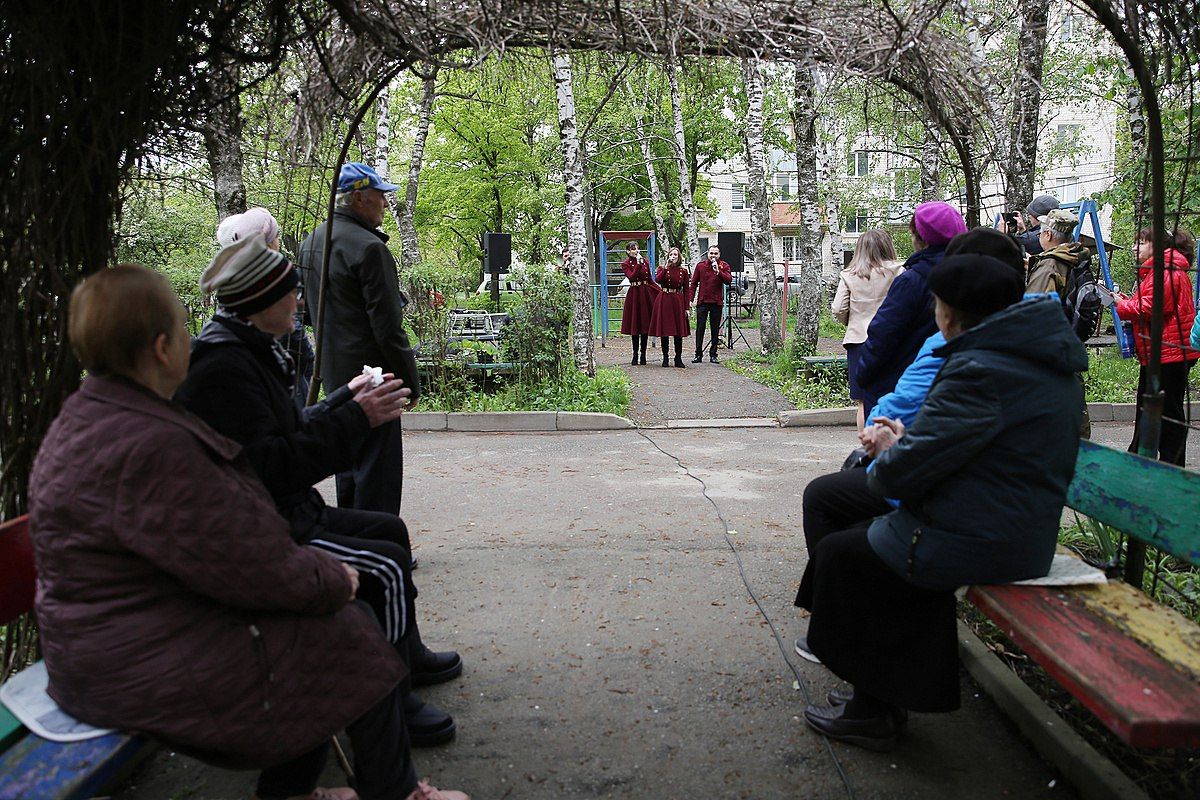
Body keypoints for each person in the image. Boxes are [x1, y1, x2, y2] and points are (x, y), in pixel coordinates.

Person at [29, 264, 467, 800]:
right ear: (163, 347)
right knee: (345, 629)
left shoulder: (95, 416)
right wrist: (332, 580)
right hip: (126, 661)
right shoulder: (153, 440)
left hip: (103, 644)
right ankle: (395, 792)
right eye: (186, 328)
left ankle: (291, 792)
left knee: (322, 626)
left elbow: (222, 540)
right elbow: (247, 557)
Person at [176, 234, 463, 748]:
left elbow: (284, 434)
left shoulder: (248, 349)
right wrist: (357, 417)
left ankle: (407, 653)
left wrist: (344, 401)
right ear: (261, 299)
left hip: (282, 513)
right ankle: (392, 696)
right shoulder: (223, 368)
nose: (299, 300)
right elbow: (273, 467)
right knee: (385, 565)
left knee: (390, 531)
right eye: (290, 291)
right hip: (266, 530)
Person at [795, 254, 1086, 751]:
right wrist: (909, 441)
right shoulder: (1028, 354)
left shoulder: (980, 368)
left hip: (987, 534)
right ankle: (884, 693)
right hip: (1010, 522)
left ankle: (874, 709)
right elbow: (972, 448)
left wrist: (891, 449)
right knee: (859, 543)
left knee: (847, 556)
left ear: (948, 312)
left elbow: (900, 477)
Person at [299, 162, 420, 516]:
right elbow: (387, 328)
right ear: (358, 198)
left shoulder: (312, 242)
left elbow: (307, 311)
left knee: (348, 462)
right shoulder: (369, 249)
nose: (385, 202)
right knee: (377, 468)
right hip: (373, 376)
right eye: (380, 195)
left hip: (335, 373)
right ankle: (377, 546)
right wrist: (408, 383)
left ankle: (351, 540)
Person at [855, 201, 966, 413]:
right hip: (953, 383)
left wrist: (863, 374)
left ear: (920, 238)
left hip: (903, 384)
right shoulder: (973, 273)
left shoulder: (913, 280)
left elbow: (884, 333)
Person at [1113, 227, 1199, 465]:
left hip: (1170, 351)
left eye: (1141, 242)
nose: (1134, 247)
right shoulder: (1158, 270)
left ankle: (1172, 465)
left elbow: (1154, 307)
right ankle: (1140, 458)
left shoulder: (1166, 270)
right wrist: (1127, 302)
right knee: (1149, 407)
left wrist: (1122, 306)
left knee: (1167, 412)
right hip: (1160, 351)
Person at [217, 207, 315, 402]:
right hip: (283, 374)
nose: (278, 239)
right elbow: (293, 334)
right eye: (275, 235)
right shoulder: (268, 278)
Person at [831, 229, 904, 429]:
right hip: (893, 341)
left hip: (858, 341)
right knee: (893, 395)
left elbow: (838, 308)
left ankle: (867, 448)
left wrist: (852, 322)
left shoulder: (849, 275)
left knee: (863, 401)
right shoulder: (899, 271)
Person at [1025, 208, 1087, 295]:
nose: (1039, 237)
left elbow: (1034, 306)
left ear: (1048, 235)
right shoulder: (1077, 256)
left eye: (1039, 234)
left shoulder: (1048, 267)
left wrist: (1040, 270)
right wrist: (1035, 265)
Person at [689, 243, 732, 363]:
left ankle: (713, 354)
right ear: (707, 254)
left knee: (714, 329)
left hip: (716, 302)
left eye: (715, 253)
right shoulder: (700, 266)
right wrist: (690, 299)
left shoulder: (724, 266)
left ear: (719, 254)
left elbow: (728, 280)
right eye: (711, 253)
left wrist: (718, 272)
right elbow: (693, 283)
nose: (713, 255)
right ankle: (698, 354)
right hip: (702, 302)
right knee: (700, 328)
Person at [620, 241, 660, 365]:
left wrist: (660, 291)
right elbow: (631, 277)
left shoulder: (645, 262)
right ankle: (635, 354)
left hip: (645, 294)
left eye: (637, 248)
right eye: (633, 249)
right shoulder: (625, 264)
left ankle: (643, 354)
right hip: (634, 295)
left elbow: (649, 279)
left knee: (644, 326)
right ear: (628, 251)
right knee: (635, 325)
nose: (636, 251)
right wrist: (638, 264)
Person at [649, 246, 690, 368]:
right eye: (671, 254)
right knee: (664, 330)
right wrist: (666, 267)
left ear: (679, 257)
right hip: (664, 299)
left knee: (678, 331)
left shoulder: (683, 271)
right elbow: (657, 280)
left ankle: (678, 358)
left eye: (675, 255)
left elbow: (687, 290)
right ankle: (665, 357)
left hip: (677, 300)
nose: (673, 256)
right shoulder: (662, 268)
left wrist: (687, 307)